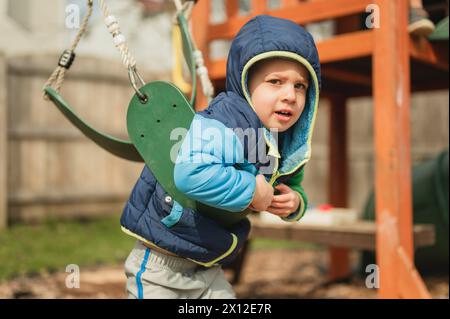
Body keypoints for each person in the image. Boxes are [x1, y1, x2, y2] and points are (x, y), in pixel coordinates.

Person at [120, 14, 321, 299]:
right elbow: (191, 173)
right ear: (246, 83)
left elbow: (291, 182)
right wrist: (251, 189)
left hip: (208, 268)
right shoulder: (224, 123)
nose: (290, 94)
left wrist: (295, 202)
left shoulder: (280, 142)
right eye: (276, 81)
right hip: (160, 266)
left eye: (300, 85)